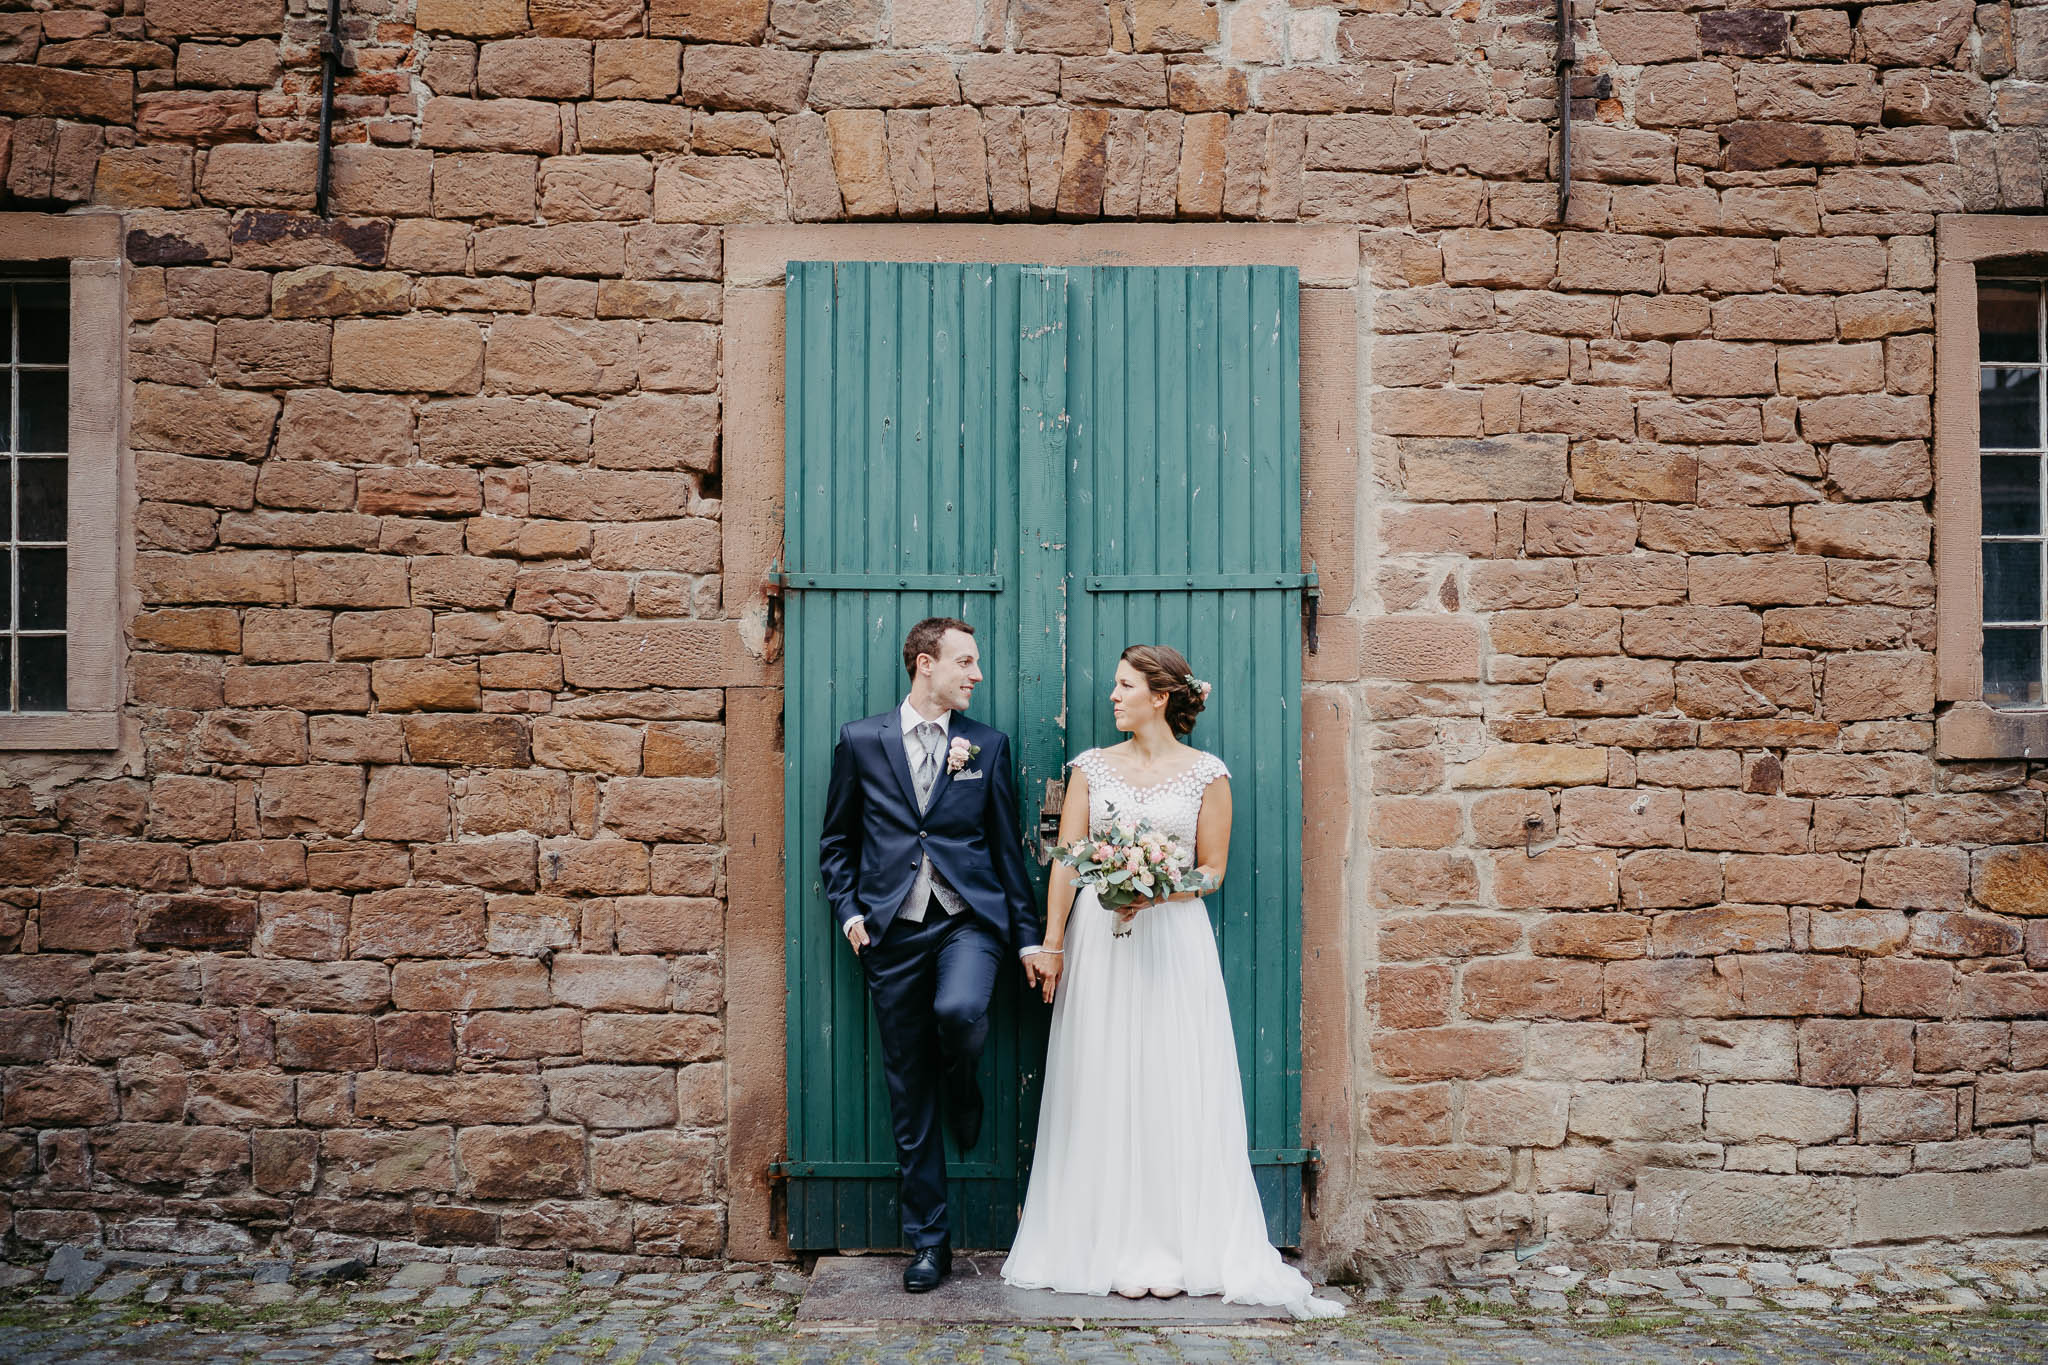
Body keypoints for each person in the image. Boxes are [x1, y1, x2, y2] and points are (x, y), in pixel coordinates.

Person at [1001, 644, 1343, 1320]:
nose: (1114, 697)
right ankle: (1111, 1245)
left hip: (1174, 942)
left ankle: (1176, 1245)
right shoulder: (1090, 770)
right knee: (1104, 1081)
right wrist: (1054, 942)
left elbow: (1211, 870)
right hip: (1102, 945)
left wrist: (1158, 888)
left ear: (1161, 695)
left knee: (1171, 1080)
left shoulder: (1207, 775)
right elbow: (1068, 862)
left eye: (1125, 686)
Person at [818, 617, 1053, 1292]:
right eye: (965, 662)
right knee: (905, 1089)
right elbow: (836, 842)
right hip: (890, 932)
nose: (976, 674)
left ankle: (963, 1078)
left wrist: (1028, 935)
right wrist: (849, 910)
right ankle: (929, 1243)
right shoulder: (862, 740)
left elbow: (1007, 849)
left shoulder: (986, 744)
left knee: (959, 1010)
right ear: (926, 663)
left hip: (966, 921)